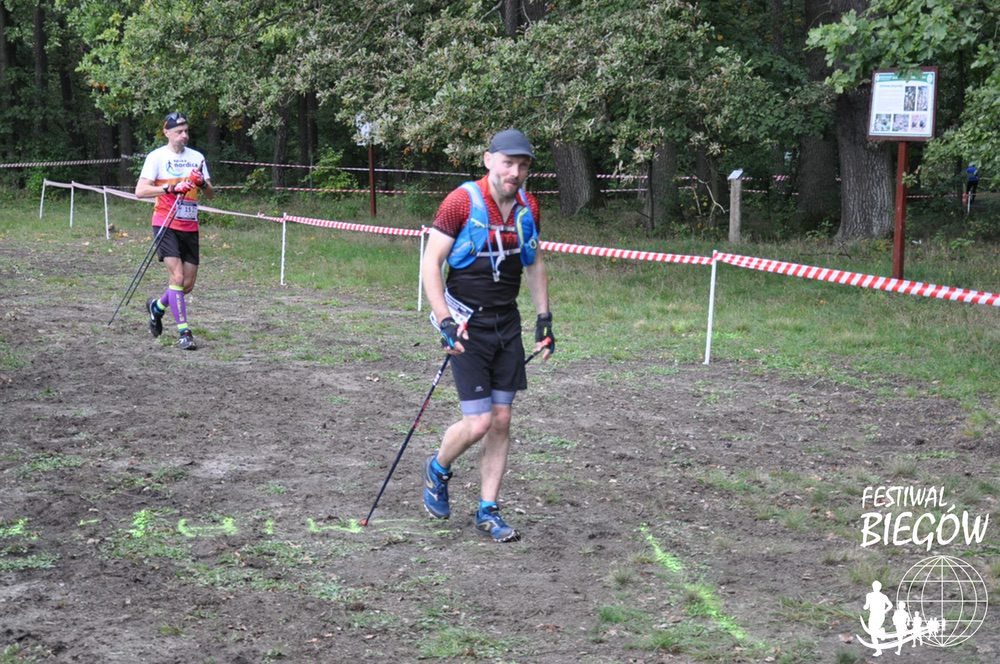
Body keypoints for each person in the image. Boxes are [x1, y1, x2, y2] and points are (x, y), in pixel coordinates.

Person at [419, 128, 554, 543]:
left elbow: (534, 262)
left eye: (523, 166)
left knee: (502, 419)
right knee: (478, 422)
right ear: (488, 160)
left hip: (506, 324)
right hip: (466, 325)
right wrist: (444, 321)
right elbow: (431, 263)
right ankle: (438, 468)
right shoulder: (461, 201)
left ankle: (488, 509)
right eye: (508, 163)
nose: (515, 172)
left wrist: (544, 319)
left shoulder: (528, 206)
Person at [134, 112, 213, 350]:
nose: (184, 136)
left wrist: (201, 183)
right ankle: (184, 333)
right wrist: (171, 188)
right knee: (176, 277)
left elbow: (211, 193)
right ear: (166, 132)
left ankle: (156, 307)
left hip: (190, 225)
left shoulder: (197, 157)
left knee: (186, 285)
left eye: (186, 131)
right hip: (165, 222)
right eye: (179, 132)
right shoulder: (156, 157)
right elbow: (140, 191)